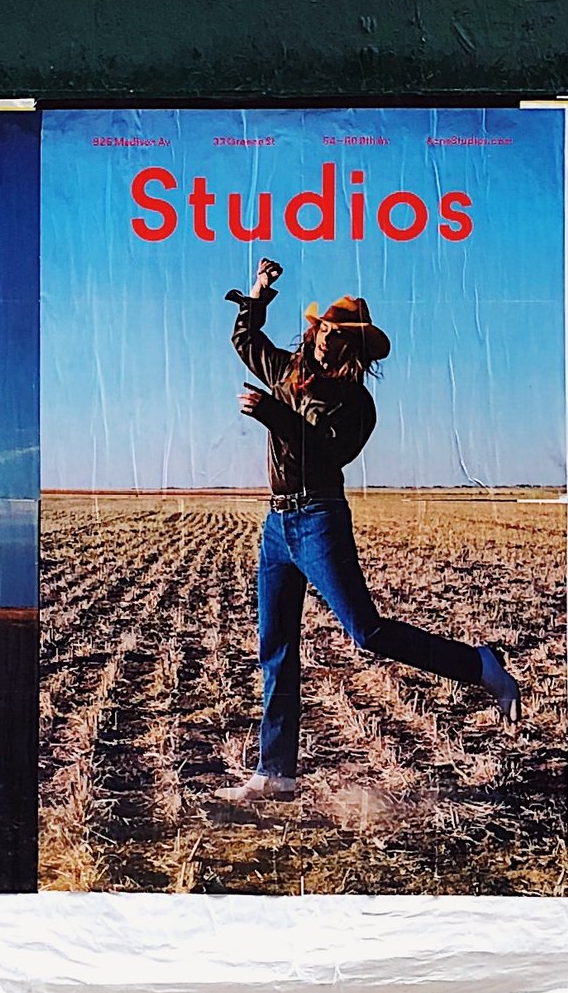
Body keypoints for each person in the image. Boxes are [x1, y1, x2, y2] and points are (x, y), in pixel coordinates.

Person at [220, 256, 521, 799]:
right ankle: (275, 773)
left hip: (318, 518)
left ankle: (479, 665)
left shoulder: (356, 404)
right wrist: (259, 296)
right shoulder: (288, 371)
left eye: (340, 338)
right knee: (277, 646)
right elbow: (244, 339)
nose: (326, 341)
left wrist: (274, 415)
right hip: (277, 521)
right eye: (324, 330)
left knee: (368, 633)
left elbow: (328, 456)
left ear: (353, 351)